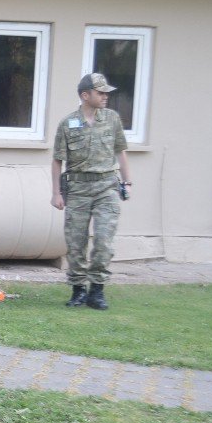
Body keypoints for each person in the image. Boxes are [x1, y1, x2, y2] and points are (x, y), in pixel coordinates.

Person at [51, 73, 131, 310]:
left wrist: (127, 182)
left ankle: (97, 290)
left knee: (104, 240)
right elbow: (57, 161)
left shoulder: (112, 119)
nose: (105, 96)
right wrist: (56, 193)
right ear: (85, 95)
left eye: (106, 92)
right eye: (100, 92)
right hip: (78, 189)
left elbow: (121, 151)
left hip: (107, 186)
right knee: (76, 242)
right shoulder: (67, 123)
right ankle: (78, 289)